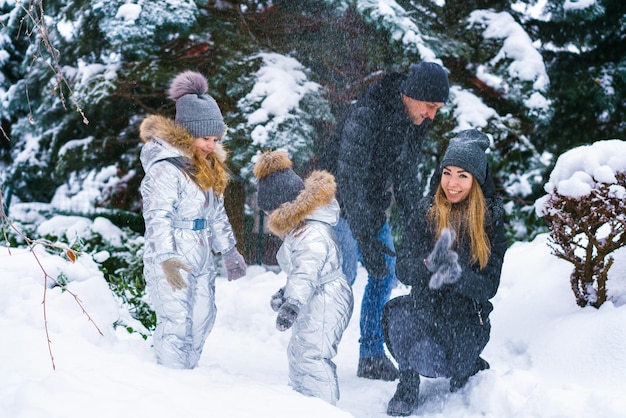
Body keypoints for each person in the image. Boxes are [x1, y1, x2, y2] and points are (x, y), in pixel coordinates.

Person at [317, 61, 450, 380]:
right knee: (342, 278)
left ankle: (371, 356)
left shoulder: (416, 120)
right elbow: (349, 177)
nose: (432, 114)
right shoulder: (369, 112)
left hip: (370, 205)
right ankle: (316, 354)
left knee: (383, 275)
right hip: (335, 203)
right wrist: (365, 239)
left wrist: (416, 227)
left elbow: (405, 174)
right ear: (412, 94)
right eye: (430, 106)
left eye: (438, 108)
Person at [381, 129, 508, 416]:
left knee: (453, 362)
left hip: (465, 319)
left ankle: (468, 364)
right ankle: (408, 383)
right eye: (447, 172)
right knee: (397, 318)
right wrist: (428, 264)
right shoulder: (425, 210)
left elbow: (488, 287)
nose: (452, 183)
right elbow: (403, 268)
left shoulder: (491, 220)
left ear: (476, 179)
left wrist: (457, 275)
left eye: (462, 175)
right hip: (425, 309)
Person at [139, 70, 247, 369]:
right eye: (205, 138)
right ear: (187, 133)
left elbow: (216, 213)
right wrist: (167, 257)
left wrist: (228, 250)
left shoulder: (207, 168)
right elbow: (158, 217)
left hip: (200, 251)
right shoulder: (166, 169)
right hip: (172, 250)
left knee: (203, 317)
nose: (211, 145)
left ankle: (185, 374)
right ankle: (173, 387)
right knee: (176, 323)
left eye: (215, 138)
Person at [254, 150, 354, 405]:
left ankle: (324, 407)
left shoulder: (312, 233)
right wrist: (287, 294)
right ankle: (304, 404)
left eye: (269, 214)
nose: (269, 221)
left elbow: (307, 272)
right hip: (316, 295)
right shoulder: (303, 228)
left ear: (283, 208)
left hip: (328, 299)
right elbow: (301, 273)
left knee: (313, 356)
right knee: (299, 351)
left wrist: (293, 303)